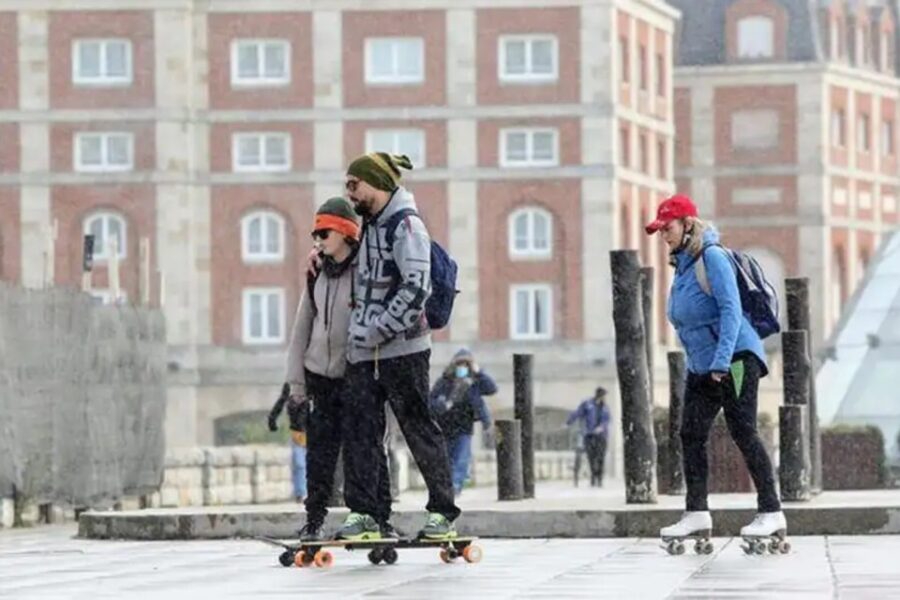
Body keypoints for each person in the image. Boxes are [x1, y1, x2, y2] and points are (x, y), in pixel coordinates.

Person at [645, 194, 786, 541]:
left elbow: (730, 311)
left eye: (668, 228)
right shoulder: (683, 266)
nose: (664, 235)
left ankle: (772, 512)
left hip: (735, 360)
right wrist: (701, 366)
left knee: (743, 430)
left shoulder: (713, 257)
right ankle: (697, 513)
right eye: (660, 230)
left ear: (688, 225)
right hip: (703, 366)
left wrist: (722, 361)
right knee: (690, 434)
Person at [337, 152, 460, 541]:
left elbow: (416, 288)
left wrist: (379, 329)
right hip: (363, 352)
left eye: (354, 185)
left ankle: (442, 512)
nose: (349, 193)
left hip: (403, 350)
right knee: (361, 431)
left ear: (376, 183)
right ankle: (367, 513)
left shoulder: (407, 226)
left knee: (418, 427)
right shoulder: (370, 225)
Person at [281, 197, 369, 542]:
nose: (317, 239)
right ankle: (314, 518)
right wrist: (296, 385)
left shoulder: (365, 270)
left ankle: (370, 516)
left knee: (363, 449)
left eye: (324, 231)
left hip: (355, 373)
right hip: (320, 375)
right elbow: (301, 328)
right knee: (319, 455)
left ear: (346, 232)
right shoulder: (316, 272)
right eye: (315, 233)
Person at [429, 348, 496, 496]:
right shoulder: (445, 381)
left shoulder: (474, 382)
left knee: (461, 458)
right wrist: (443, 404)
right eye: (460, 364)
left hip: (464, 427)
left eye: (466, 364)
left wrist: (479, 372)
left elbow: (492, 389)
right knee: (447, 460)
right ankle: (448, 486)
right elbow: (431, 402)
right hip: (445, 426)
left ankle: (455, 486)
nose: (462, 367)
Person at [267, 382, 309, 503]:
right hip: (297, 434)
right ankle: (300, 493)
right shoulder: (290, 386)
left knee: (314, 464)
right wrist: (272, 419)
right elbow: (281, 402)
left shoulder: (312, 381)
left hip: (314, 432)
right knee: (299, 464)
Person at [566, 387, 611, 487]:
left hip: (601, 435)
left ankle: (599, 478)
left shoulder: (605, 408)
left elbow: (607, 420)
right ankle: (593, 477)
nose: (604, 398)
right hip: (589, 434)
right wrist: (569, 422)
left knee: (600, 457)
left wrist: (601, 428)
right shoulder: (588, 404)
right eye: (603, 395)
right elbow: (578, 413)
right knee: (591, 457)